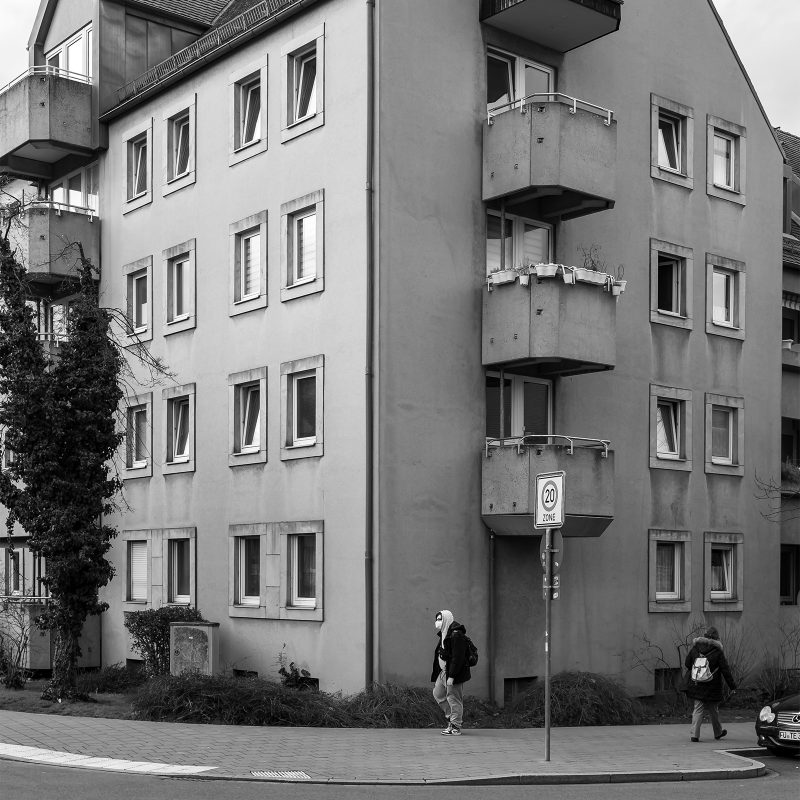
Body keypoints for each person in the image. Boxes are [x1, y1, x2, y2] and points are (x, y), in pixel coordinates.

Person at [683, 626, 736, 742]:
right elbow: (725, 670)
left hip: (697, 684)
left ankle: (694, 735)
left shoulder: (695, 648)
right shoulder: (717, 651)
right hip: (713, 685)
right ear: (716, 639)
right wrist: (732, 686)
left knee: (698, 709)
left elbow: (687, 664)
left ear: (704, 636)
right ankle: (717, 733)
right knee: (713, 710)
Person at [430, 609, 471, 736]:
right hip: (443, 672)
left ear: (446, 619)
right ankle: (451, 718)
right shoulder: (444, 633)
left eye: (440, 619)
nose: (437, 622)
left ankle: (455, 726)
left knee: (454, 699)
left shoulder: (456, 634)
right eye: (436, 619)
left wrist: (452, 676)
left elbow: (457, 658)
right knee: (438, 693)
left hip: (453, 673)